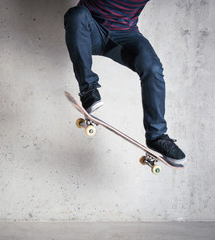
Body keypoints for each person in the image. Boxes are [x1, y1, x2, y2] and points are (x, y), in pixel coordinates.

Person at [64, 0, 186, 164]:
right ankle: (88, 90)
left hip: (125, 36)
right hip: (90, 29)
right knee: (76, 15)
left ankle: (157, 136)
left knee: (152, 67)